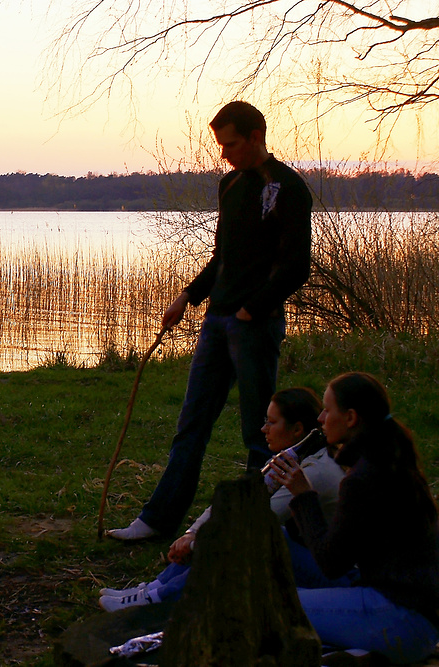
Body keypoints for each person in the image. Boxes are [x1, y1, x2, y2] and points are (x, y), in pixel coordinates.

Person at [110, 100, 313, 541]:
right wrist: (187, 294)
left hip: (253, 325)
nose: (224, 153)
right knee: (192, 424)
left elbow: (297, 267)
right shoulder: (230, 184)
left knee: (259, 432)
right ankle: (157, 521)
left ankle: (254, 525)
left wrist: (251, 309)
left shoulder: (289, 187)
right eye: (220, 145)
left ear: (257, 136)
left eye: (231, 143)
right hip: (216, 322)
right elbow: (223, 257)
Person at [99, 387, 346, 611]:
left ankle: (161, 599)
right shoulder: (294, 457)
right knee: (221, 531)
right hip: (308, 552)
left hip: (333, 576)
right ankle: (154, 589)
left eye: (271, 422)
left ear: (297, 430)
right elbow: (237, 500)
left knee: (241, 538)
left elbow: (249, 520)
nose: (263, 430)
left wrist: (198, 543)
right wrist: (192, 533)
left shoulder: (314, 471)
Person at [271, 372, 439, 663]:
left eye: (327, 410)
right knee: (277, 545)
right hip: (413, 614)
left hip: (401, 619)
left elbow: (330, 562)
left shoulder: (366, 476)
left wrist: (303, 495)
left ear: (350, 418)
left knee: (271, 605)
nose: (321, 419)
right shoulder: (388, 458)